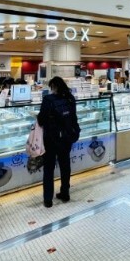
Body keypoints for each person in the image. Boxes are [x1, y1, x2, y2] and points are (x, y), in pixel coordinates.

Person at [37, 76, 79, 208]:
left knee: (49, 169)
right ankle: (65, 193)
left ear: (53, 86)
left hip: (51, 139)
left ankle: (48, 199)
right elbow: (73, 118)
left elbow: (41, 120)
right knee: (65, 166)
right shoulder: (70, 98)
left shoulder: (48, 99)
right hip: (66, 138)